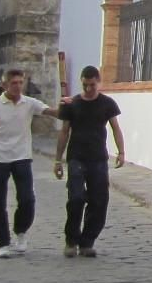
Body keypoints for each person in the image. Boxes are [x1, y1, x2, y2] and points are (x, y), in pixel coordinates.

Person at [0, 68, 63, 257]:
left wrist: (65, 106)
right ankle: (2, 242)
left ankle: (21, 231)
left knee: (27, 198)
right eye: (13, 83)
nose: (17, 86)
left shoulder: (29, 103)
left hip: (22, 156)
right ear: (5, 85)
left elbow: (51, 112)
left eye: (20, 82)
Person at [53, 65, 125, 257]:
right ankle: (71, 240)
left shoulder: (107, 103)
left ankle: (87, 241)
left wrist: (121, 152)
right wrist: (58, 160)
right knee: (76, 198)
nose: (88, 89)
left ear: (98, 82)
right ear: (81, 82)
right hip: (76, 158)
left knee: (99, 201)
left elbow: (115, 128)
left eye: (92, 85)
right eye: (85, 85)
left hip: (98, 159)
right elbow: (64, 132)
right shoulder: (72, 104)